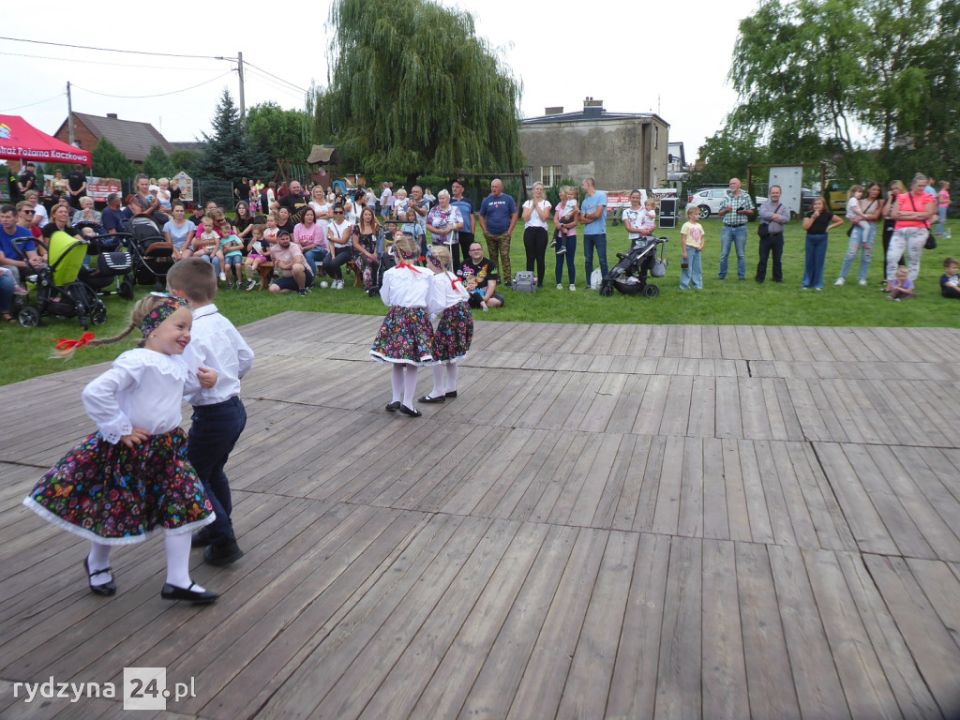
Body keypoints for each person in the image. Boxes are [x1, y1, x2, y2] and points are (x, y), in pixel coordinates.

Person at [22, 294, 220, 604]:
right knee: (113, 509)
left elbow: (179, 386)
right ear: (152, 328)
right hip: (129, 450)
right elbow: (96, 392)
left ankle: (178, 580)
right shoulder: (137, 361)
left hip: (167, 449)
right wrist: (120, 427)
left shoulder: (177, 361)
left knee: (183, 504)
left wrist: (206, 381)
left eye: (189, 328)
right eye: (180, 327)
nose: (187, 334)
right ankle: (97, 562)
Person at [167, 259, 254, 567]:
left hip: (213, 415)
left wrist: (181, 391)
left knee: (192, 475)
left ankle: (223, 539)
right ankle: (216, 523)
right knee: (212, 470)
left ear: (178, 295)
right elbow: (246, 356)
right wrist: (229, 378)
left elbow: (192, 380)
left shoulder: (193, 332)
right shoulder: (220, 321)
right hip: (234, 409)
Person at [369, 234, 435, 417]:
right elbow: (430, 300)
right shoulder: (427, 274)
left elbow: (386, 298)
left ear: (397, 255)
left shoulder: (390, 273)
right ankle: (407, 402)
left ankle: (396, 399)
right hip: (418, 318)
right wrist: (429, 314)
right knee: (412, 362)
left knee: (397, 362)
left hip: (397, 318)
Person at [420, 245, 472, 404]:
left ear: (435, 263)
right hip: (464, 314)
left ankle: (438, 391)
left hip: (452, 317)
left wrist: (428, 315)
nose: (426, 264)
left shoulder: (437, 280)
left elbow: (439, 304)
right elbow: (465, 295)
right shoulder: (450, 275)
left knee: (437, 353)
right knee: (451, 353)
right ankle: (451, 387)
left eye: (428, 262)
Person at [886, 173, 937, 287]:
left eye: (924, 186)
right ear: (912, 185)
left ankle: (908, 285)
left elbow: (927, 215)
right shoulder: (902, 197)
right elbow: (894, 214)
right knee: (892, 256)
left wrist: (904, 214)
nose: (922, 188)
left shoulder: (928, 197)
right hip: (899, 231)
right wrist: (917, 215)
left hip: (919, 231)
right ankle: (891, 283)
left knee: (913, 258)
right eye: (919, 185)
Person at [0, 204, 42, 321]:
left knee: (44, 269)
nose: (4, 220)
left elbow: (32, 254)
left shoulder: (25, 232)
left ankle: (43, 303)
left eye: (8, 217)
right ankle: (16, 305)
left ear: (16, 218)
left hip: (20, 264)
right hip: (4, 265)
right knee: (13, 270)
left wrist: (36, 260)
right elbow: (2, 259)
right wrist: (27, 264)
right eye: (2, 217)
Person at [836, 183, 883, 286]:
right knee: (851, 253)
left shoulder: (879, 202)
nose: (875, 192)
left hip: (871, 229)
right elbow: (852, 213)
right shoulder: (860, 201)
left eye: (878, 190)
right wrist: (853, 220)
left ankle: (862, 278)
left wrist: (861, 217)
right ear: (869, 190)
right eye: (873, 189)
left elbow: (875, 216)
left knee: (867, 255)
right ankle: (842, 277)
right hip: (858, 228)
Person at [478, 178, 518, 286]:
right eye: (492, 186)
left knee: (505, 256)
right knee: (493, 257)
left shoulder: (508, 199)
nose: (493, 188)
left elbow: (514, 214)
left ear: (501, 187)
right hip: (490, 234)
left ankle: (508, 280)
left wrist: (510, 231)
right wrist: (485, 230)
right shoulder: (487, 200)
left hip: (504, 233)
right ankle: (495, 278)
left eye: (496, 187)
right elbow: (481, 215)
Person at [801, 197, 843, 291]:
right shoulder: (809, 214)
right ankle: (806, 283)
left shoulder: (827, 214)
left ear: (823, 205)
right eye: (815, 204)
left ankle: (818, 284)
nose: (817, 206)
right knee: (809, 261)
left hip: (822, 239)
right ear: (813, 206)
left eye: (819, 204)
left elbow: (840, 221)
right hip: (810, 239)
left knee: (819, 261)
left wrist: (830, 227)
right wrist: (813, 217)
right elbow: (805, 227)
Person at [717, 177, 754, 280]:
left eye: (734, 183)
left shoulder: (746, 196)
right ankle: (721, 276)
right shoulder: (726, 197)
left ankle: (741, 277)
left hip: (740, 229)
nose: (732, 185)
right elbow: (720, 213)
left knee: (741, 254)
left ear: (739, 185)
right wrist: (726, 210)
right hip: (727, 228)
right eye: (730, 184)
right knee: (724, 254)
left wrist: (744, 211)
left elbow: (752, 211)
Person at [521, 181, 552, 288]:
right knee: (530, 257)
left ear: (543, 191)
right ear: (533, 190)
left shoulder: (546, 203)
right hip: (529, 231)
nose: (538, 191)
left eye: (540, 189)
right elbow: (525, 218)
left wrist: (537, 206)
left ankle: (540, 282)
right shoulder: (527, 203)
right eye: (537, 189)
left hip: (541, 232)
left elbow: (544, 218)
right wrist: (532, 207)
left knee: (540, 257)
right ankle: (529, 281)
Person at [579, 177, 608, 289]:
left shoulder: (601, 196)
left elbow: (598, 214)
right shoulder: (585, 201)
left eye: (583, 185)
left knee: (602, 259)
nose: (582, 187)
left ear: (589, 184)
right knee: (588, 260)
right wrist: (591, 218)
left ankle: (606, 284)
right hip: (587, 234)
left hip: (599, 233)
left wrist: (587, 216)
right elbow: (581, 220)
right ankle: (589, 283)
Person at [756, 185, 788, 283]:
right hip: (765, 237)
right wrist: (777, 216)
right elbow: (763, 214)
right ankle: (760, 278)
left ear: (780, 194)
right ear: (770, 194)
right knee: (763, 259)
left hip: (778, 237)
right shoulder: (764, 205)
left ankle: (777, 278)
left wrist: (773, 216)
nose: (775, 194)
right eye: (773, 193)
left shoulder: (783, 207)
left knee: (777, 259)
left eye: (777, 193)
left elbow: (786, 219)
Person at [460, 241, 504, 309]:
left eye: (478, 249)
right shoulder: (464, 263)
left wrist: (485, 298)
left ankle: (473, 304)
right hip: (468, 293)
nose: (476, 251)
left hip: (484, 294)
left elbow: (492, 284)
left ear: (482, 251)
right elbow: (459, 282)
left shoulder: (490, 264)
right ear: (469, 253)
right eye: (473, 250)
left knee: (497, 301)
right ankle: (478, 304)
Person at [426, 189, 464, 267]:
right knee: (438, 264)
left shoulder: (455, 209)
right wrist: (438, 231)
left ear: (448, 199)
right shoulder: (433, 210)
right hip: (437, 243)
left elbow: (461, 224)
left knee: (454, 264)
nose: (441, 200)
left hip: (452, 243)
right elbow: (428, 225)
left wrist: (451, 227)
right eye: (440, 198)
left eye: (443, 198)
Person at [268, 230, 312, 295]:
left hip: (304, 276)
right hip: (288, 278)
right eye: (282, 239)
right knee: (273, 289)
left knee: (296, 267)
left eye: (287, 238)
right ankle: (296, 290)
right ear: (277, 240)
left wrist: (285, 267)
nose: (285, 241)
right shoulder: (273, 250)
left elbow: (298, 260)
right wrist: (278, 265)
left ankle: (302, 290)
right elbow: (275, 263)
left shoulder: (294, 246)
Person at [322, 206, 355, 290]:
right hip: (335, 249)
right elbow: (331, 243)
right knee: (325, 263)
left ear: (343, 213)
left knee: (334, 263)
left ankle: (340, 280)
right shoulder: (330, 225)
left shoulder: (348, 225)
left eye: (340, 212)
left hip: (346, 249)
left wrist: (331, 238)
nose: (338, 214)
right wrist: (333, 255)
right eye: (336, 212)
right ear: (333, 214)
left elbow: (343, 241)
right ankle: (335, 278)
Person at [553, 186, 579, 291]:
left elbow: (575, 222)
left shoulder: (573, 205)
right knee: (559, 261)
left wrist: (564, 226)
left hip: (571, 237)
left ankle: (572, 284)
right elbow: (555, 219)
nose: (560, 195)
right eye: (560, 193)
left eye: (562, 193)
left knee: (570, 261)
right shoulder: (559, 205)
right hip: (560, 237)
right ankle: (558, 283)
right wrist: (561, 227)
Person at [881, 180, 906, 285]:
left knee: (899, 253)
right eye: (892, 189)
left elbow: (900, 214)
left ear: (901, 188)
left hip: (900, 227)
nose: (894, 191)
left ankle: (903, 276)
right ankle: (887, 277)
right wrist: (890, 199)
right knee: (887, 252)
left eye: (896, 188)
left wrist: (892, 214)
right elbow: (884, 213)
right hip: (888, 227)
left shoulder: (905, 199)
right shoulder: (889, 199)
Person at [354, 206, 383, 293]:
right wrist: (367, 254)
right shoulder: (357, 227)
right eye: (365, 214)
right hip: (360, 253)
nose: (368, 216)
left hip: (375, 252)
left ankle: (378, 285)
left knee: (379, 262)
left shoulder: (377, 227)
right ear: (362, 216)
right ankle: (368, 287)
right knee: (367, 263)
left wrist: (375, 253)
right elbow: (355, 244)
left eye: (370, 214)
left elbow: (379, 242)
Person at [293, 206, 327, 277]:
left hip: (319, 250)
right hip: (303, 249)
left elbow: (315, 244)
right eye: (307, 215)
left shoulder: (317, 227)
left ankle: (311, 277)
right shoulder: (297, 227)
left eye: (311, 215)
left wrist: (303, 249)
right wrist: (300, 248)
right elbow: (297, 242)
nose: (310, 217)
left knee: (308, 255)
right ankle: (296, 276)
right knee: (294, 254)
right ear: (303, 216)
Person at [679, 205, 706, 290]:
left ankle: (698, 285)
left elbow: (702, 238)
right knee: (686, 267)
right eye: (696, 214)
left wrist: (701, 246)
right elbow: (683, 239)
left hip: (697, 250)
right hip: (688, 249)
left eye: (699, 214)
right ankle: (684, 286)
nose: (698, 216)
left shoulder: (699, 226)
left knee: (697, 268)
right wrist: (684, 251)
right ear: (690, 215)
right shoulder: (686, 225)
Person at [191, 215, 225, 280]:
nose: (207, 227)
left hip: (215, 249)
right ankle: (196, 271)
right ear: (203, 226)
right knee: (195, 254)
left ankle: (222, 272)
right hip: (207, 249)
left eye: (209, 226)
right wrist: (204, 249)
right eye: (206, 226)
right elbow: (203, 244)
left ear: (212, 226)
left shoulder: (214, 233)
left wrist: (213, 253)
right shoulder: (202, 234)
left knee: (221, 257)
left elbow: (217, 243)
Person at [450, 180, 476, 265]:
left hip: (466, 232)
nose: (454, 189)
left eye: (457, 187)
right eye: (453, 187)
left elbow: (472, 218)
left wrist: (472, 232)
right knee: (454, 256)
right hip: (453, 232)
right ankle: (457, 271)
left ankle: (469, 271)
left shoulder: (468, 202)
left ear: (462, 189)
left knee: (468, 256)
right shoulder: (448, 202)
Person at [243, 224, 269, 291]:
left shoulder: (264, 241)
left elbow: (269, 251)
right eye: (254, 233)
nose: (256, 235)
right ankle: (250, 280)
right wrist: (252, 242)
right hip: (253, 255)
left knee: (256, 261)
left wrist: (264, 253)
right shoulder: (252, 240)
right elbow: (248, 249)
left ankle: (252, 270)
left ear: (261, 234)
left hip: (261, 256)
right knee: (246, 263)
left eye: (258, 234)